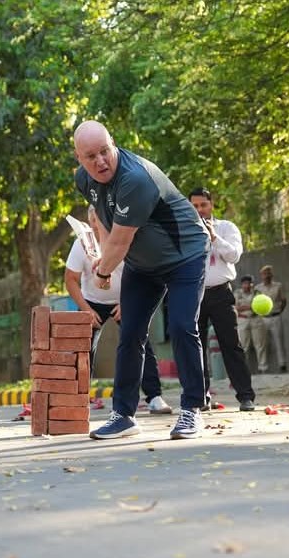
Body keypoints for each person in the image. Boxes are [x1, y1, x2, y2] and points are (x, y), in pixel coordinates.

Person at [73, 120, 209, 440]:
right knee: (131, 332)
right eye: (91, 156)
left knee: (181, 326)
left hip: (185, 256)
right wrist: (102, 254)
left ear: (113, 143)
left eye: (105, 151)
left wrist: (103, 272)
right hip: (142, 264)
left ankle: (192, 409)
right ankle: (123, 415)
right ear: (79, 158)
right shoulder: (84, 179)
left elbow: (121, 240)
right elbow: (105, 219)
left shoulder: (135, 178)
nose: (100, 161)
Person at [64, 206, 173, 415]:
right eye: (94, 220)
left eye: (102, 218)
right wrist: (86, 310)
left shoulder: (124, 239)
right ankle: (78, 399)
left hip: (125, 299)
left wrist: (127, 303)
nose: (99, 224)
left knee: (140, 342)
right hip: (91, 302)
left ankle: (154, 397)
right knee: (81, 348)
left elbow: (141, 273)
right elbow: (70, 279)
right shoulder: (81, 244)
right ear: (90, 222)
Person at [188, 188, 256, 411]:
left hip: (220, 293)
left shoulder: (227, 228)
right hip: (194, 293)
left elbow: (234, 255)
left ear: (211, 205)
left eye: (203, 205)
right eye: (195, 206)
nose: (200, 210)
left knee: (231, 344)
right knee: (195, 347)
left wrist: (214, 238)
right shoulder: (184, 230)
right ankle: (201, 397)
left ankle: (245, 396)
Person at [233, 274, 268, 373]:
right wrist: (250, 306)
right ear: (242, 284)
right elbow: (235, 307)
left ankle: (263, 368)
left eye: (249, 283)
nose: (247, 285)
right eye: (245, 283)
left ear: (252, 284)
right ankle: (244, 369)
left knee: (260, 344)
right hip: (243, 319)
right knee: (244, 345)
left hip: (255, 319)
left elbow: (261, 306)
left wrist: (245, 307)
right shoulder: (237, 293)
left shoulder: (257, 293)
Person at [256, 264, 287, 372]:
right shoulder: (258, 288)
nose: (267, 275)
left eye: (269, 273)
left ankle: (282, 365)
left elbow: (283, 300)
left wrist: (279, 311)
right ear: (261, 275)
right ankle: (263, 367)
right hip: (263, 318)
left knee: (279, 342)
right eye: (265, 274)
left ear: (272, 274)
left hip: (275, 316)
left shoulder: (278, 286)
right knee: (262, 343)